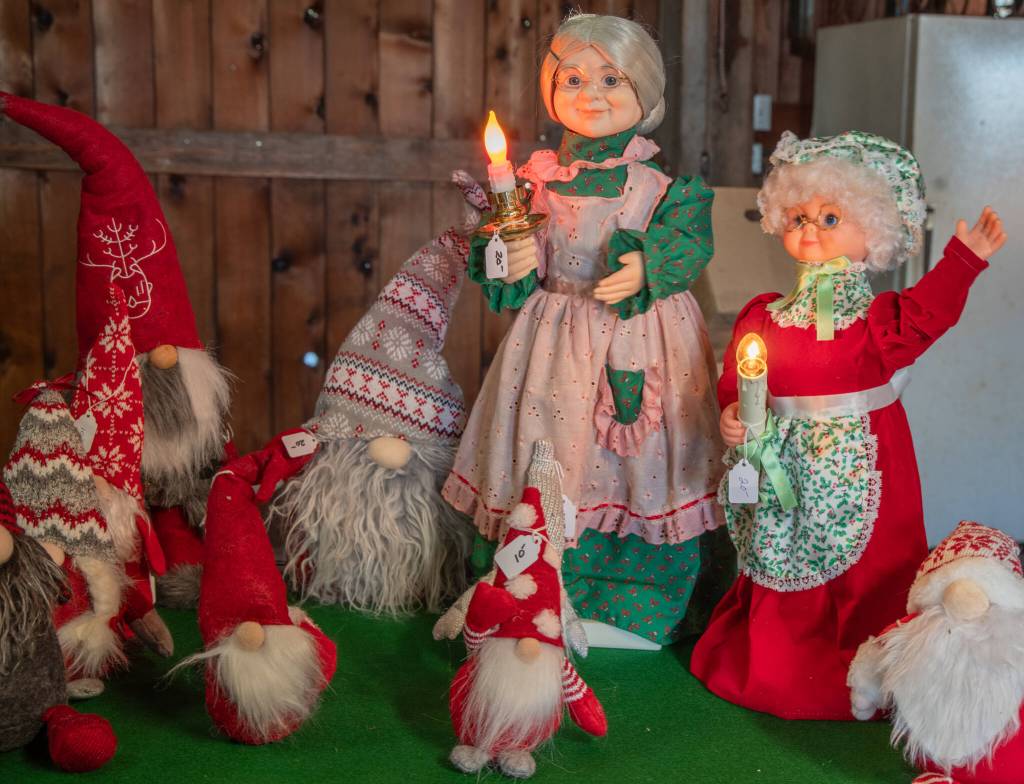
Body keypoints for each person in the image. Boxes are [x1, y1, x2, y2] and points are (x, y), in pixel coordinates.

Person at [690, 130, 1007, 719]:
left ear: (874, 230)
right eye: (799, 216)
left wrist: (962, 261)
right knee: (777, 551)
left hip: (862, 461)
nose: (810, 229)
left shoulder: (880, 320)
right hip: (781, 462)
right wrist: (734, 411)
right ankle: (774, 665)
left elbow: (928, 314)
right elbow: (741, 375)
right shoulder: (763, 315)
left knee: (868, 569)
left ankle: (863, 671)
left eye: (831, 217)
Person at [441, 13, 731, 648]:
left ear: (644, 92)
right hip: (553, 341)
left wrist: (647, 265)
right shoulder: (535, 186)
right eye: (572, 78)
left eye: (611, 79)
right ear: (551, 91)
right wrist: (511, 255)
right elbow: (512, 266)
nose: (590, 93)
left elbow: (687, 243)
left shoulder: (661, 190)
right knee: (545, 450)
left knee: (640, 462)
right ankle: (534, 586)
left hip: (643, 340)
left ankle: (634, 604)